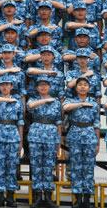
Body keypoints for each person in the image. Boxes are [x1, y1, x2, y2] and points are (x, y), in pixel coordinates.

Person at [62, 77, 100, 208]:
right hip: (75, 136)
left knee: (88, 168)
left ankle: (87, 198)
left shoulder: (94, 103)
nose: (83, 87)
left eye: (85, 85)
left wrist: (97, 143)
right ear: (76, 87)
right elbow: (65, 108)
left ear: (89, 88)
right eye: (80, 85)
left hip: (89, 136)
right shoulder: (71, 100)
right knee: (76, 168)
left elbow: (97, 124)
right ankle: (77, 198)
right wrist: (81, 104)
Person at [27, 77, 62, 208]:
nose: (43, 87)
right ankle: (37, 196)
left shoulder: (57, 102)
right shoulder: (33, 100)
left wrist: (58, 140)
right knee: (36, 166)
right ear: (37, 88)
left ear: (50, 87)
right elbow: (30, 106)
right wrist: (45, 100)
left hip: (51, 135)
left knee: (48, 166)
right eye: (40, 85)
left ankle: (47, 196)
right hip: (36, 134)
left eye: (46, 85)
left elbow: (59, 122)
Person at [0, 76, 24, 208]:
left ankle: (10, 196)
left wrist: (20, 140)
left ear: (12, 86)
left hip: (13, 135)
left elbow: (20, 122)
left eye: (7, 85)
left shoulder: (17, 103)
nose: (4, 87)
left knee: (12, 166)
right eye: (2, 85)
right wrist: (8, 99)